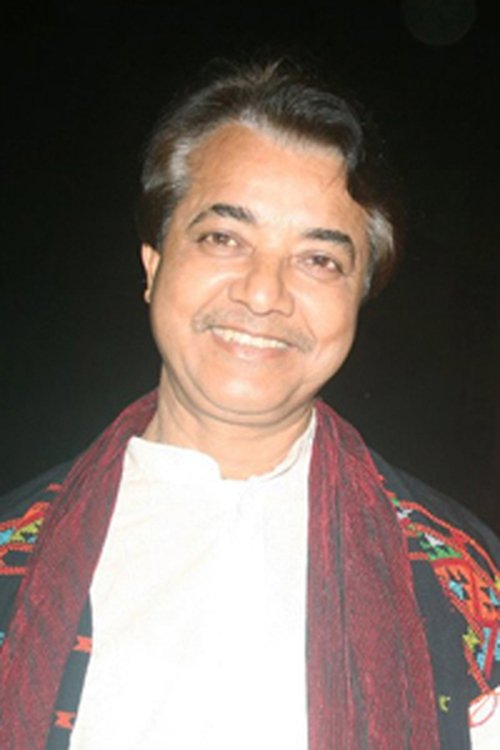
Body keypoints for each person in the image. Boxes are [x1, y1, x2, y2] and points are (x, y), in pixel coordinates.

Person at [0, 58, 498, 750]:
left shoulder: (466, 588)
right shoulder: (13, 559)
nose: (264, 293)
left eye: (319, 260)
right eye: (224, 239)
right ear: (153, 265)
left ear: (358, 300)